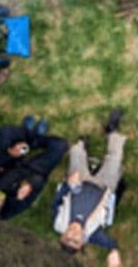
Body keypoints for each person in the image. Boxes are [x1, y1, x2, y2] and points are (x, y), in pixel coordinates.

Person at [51, 109, 126, 266]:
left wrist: (68, 185)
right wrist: (114, 251)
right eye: (76, 240)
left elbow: (57, 201)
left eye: (67, 237)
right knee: (116, 157)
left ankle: (83, 146)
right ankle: (112, 129)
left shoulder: (58, 222)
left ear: (62, 234)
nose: (73, 234)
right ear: (82, 242)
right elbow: (111, 243)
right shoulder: (93, 235)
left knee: (76, 150)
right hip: (104, 185)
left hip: (80, 181)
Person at [0, 116, 68, 221]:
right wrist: (30, 184)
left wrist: (10, 154)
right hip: (34, 171)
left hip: (14, 162)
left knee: (6, 132)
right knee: (60, 146)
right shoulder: (13, 208)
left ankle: (29, 136)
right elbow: (40, 182)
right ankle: (35, 137)